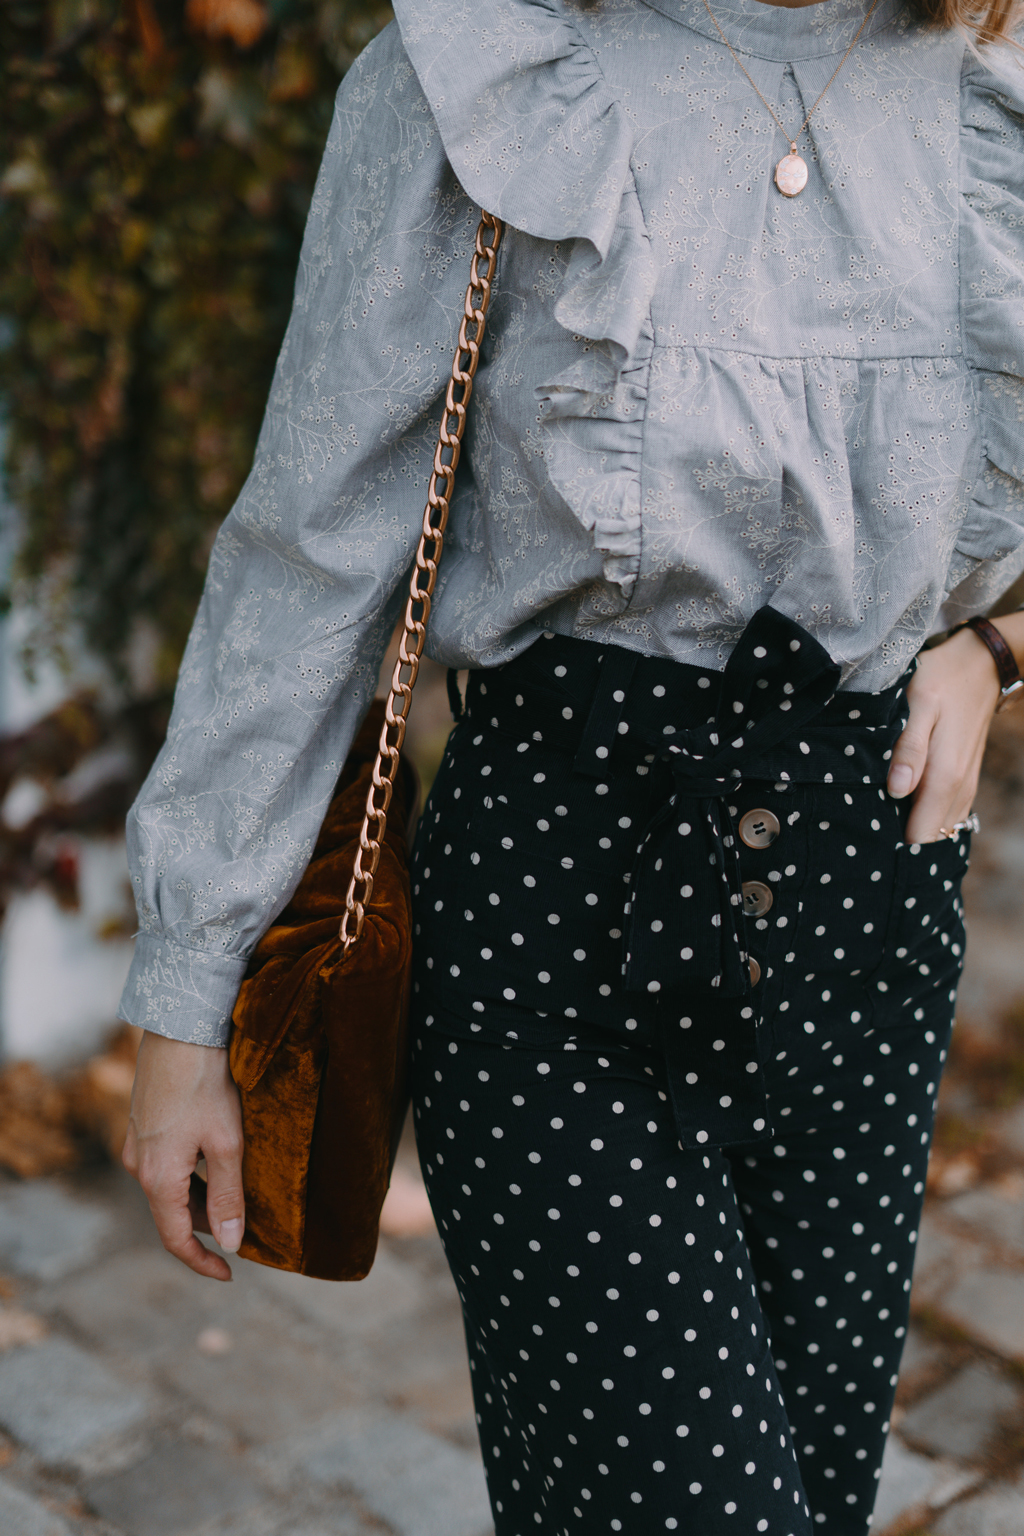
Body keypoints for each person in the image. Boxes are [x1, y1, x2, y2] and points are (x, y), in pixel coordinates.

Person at [120, 0, 1024, 1528]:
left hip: (869, 946)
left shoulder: (988, 87)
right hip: (556, 941)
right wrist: (185, 990)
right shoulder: (481, 72)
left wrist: (993, 644)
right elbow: (312, 553)